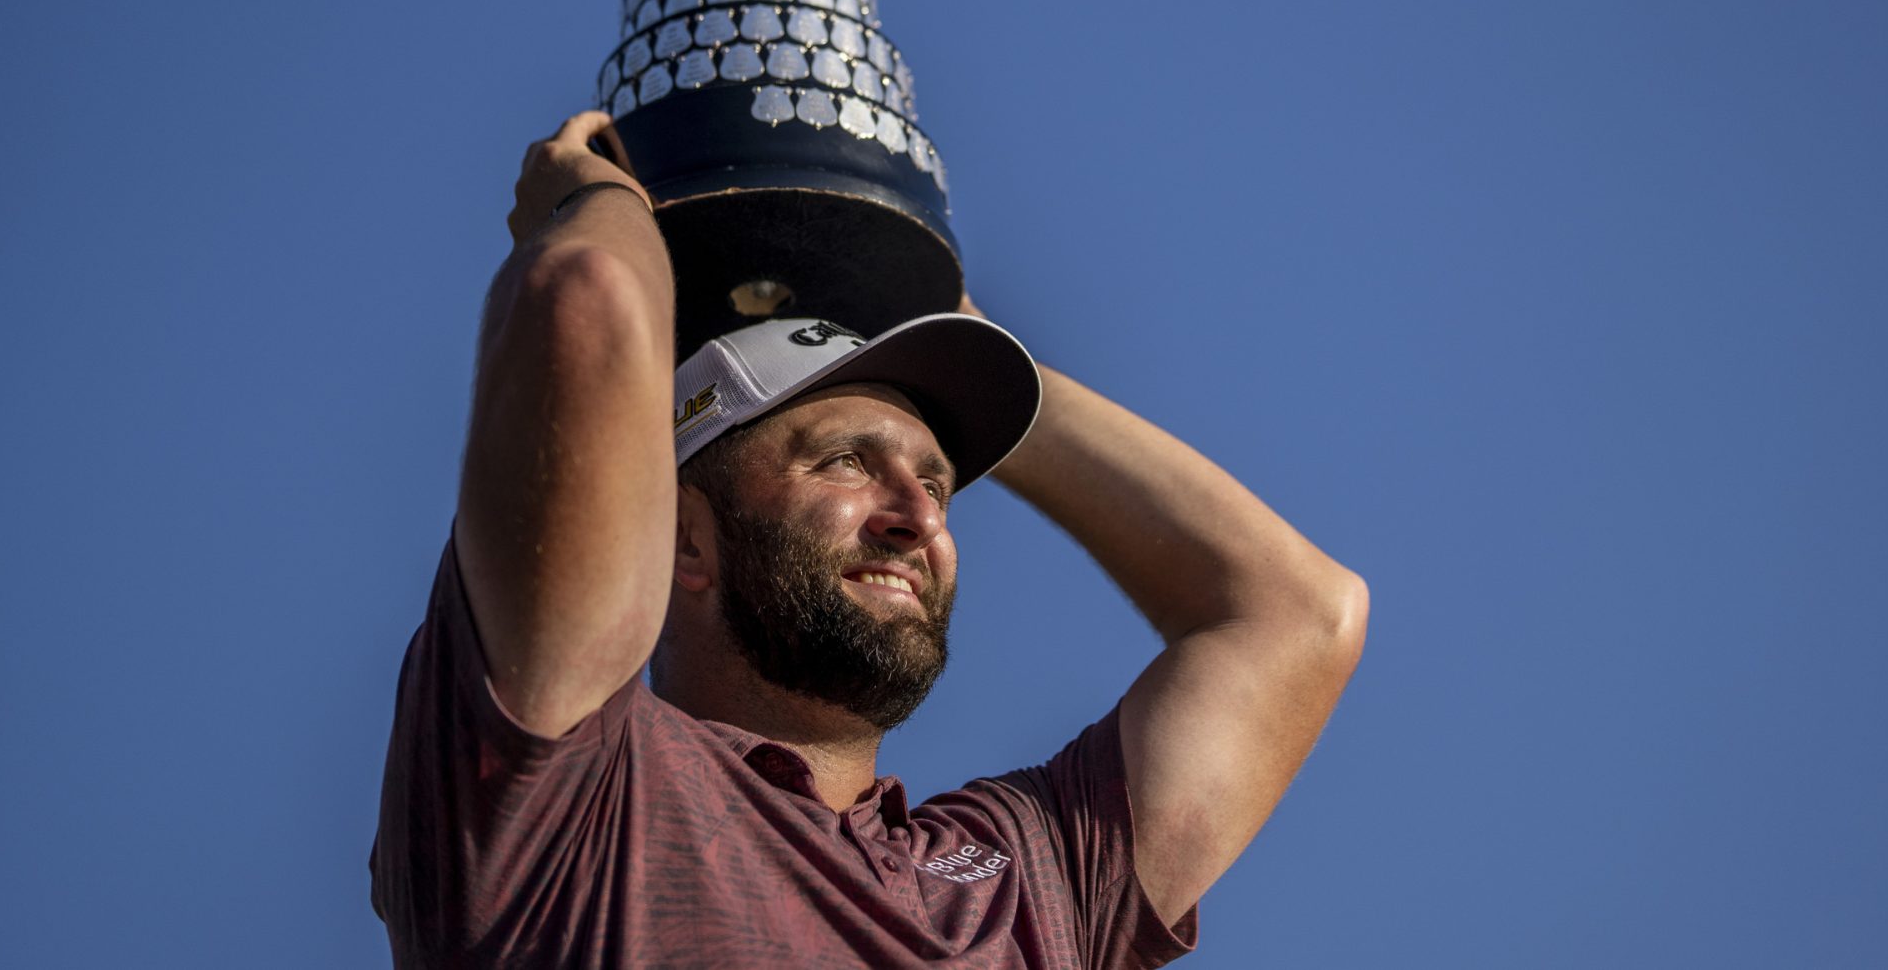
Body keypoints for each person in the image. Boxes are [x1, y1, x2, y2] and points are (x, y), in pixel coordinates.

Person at [372, 111, 1369, 968]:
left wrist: (949, 316)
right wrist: (593, 200)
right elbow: (585, 293)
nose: (920, 516)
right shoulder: (575, 799)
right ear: (683, 542)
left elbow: (1299, 614)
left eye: (934, 480)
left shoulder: (1026, 881)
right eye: (843, 462)